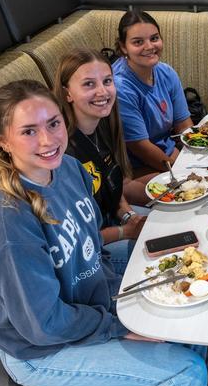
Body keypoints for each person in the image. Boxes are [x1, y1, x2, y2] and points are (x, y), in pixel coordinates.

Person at [0, 79, 208, 386]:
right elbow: (43, 325)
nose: (48, 140)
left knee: (187, 305)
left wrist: (127, 295)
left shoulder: (68, 169)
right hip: (41, 351)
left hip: (83, 308)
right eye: (29, 131)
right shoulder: (7, 220)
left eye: (53, 124)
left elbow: (90, 249)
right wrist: (120, 326)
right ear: (2, 140)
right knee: (186, 374)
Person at [53, 48, 148, 273]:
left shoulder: (103, 124)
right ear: (67, 93)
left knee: (172, 226)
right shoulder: (63, 152)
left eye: (107, 81)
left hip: (113, 224)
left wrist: (129, 215)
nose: (102, 91)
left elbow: (112, 188)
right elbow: (77, 240)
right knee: (162, 251)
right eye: (88, 84)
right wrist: (126, 232)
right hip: (90, 252)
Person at [113, 9, 193, 176]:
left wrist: (196, 157)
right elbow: (140, 148)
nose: (149, 47)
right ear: (123, 47)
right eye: (138, 42)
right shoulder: (120, 87)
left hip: (168, 151)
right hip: (135, 167)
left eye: (154, 38)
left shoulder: (166, 72)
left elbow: (184, 125)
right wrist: (180, 172)